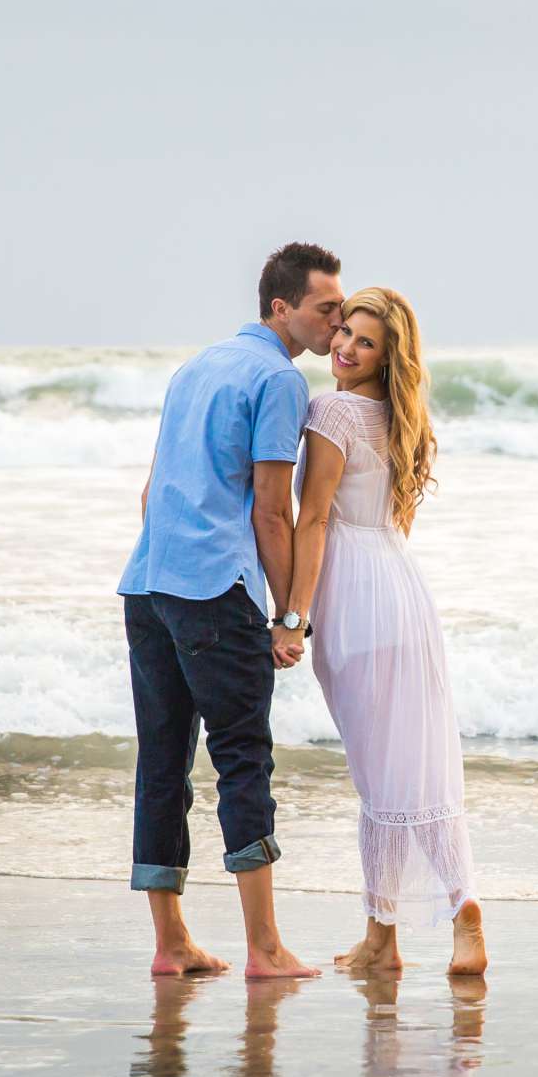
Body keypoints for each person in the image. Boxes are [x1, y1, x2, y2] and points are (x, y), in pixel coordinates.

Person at [117, 241, 343, 978]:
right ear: (282, 308)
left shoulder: (196, 367)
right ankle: (265, 949)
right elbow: (273, 513)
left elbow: (151, 494)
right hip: (216, 590)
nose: (336, 324)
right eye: (325, 309)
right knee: (244, 761)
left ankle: (171, 942)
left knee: (163, 762)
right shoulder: (278, 380)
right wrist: (290, 616)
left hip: (149, 586)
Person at [279, 286, 488, 975]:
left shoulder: (332, 410)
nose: (344, 348)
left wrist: (293, 617)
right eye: (344, 333)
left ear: (385, 356)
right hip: (402, 591)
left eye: (364, 342)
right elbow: (392, 522)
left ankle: (459, 912)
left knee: (381, 778)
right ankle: (383, 936)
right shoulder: (403, 420)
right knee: (412, 769)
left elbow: (312, 520)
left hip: (355, 601)